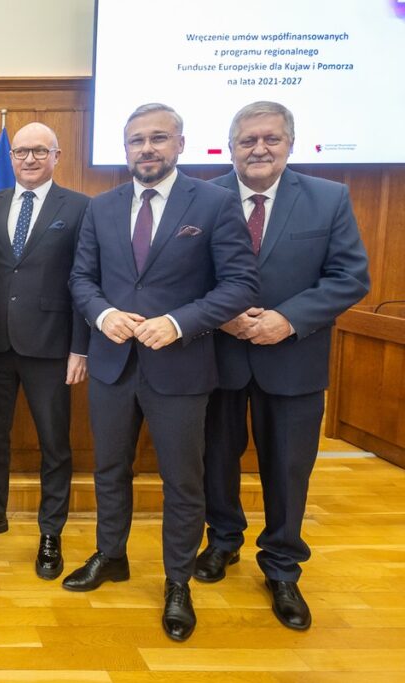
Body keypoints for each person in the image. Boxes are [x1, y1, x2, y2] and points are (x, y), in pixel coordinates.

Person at [66, 103, 258, 641]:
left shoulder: (215, 203)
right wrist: (103, 314)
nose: (146, 149)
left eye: (158, 138)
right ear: (125, 149)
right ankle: (111, 555)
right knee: (109, 470)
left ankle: (178, 581)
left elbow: (240, 284)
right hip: (113, 365)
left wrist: (178, 323)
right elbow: (81, 279)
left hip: (181, 367)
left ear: (180, 144)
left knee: (182, 480)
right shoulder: (101, 207)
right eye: (136, 140)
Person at [195, 101, 369, 630]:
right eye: (247, 140)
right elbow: (183, 275)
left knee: (289, 468)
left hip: (294, 360)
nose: (259, 149)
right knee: (216, 459)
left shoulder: (328, 198)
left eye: (270, 138)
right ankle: (223, 540)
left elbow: (349, 277)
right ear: (231, 147)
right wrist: (221, 317)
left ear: (290, 143)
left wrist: (287, 320)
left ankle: (282, 567)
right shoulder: (202, 198)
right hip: (219, 358)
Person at [0, 122, 90, 581]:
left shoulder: (79, 207)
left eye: (39, 151)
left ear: (56, 156)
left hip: (51, 346)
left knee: (54, 443)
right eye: (21, 151)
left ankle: (51, 530)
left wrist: (81, 348)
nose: (29, 159)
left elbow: (84, 280)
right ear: (11, 157)